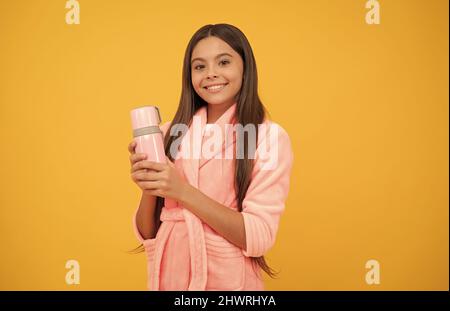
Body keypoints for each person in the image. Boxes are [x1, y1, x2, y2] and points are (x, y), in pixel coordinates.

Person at [128, 23, 294, 290]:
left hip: (229, 284)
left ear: (245, 67)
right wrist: (150, 185)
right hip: (172, 279)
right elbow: (149, 233)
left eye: (224, 62)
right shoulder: (170, 132)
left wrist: (181, 190)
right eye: (199, 66)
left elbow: (258, 237)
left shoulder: (268, 137)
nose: (211, 74)